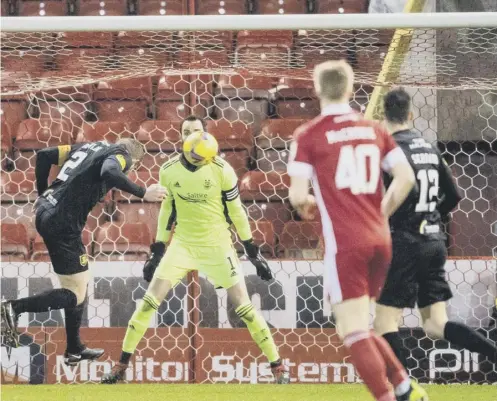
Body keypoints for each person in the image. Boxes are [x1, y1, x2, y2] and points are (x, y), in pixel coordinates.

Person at [102, 117, 289, 384]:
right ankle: (121, 367)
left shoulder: (222, 169)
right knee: (147, 303)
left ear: (206, 136)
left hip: (218, 245)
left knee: (245, 308)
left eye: (197, 131)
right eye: (187, 132)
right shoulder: (168, 170)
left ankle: (278, 368)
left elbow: (236, 211)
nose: (192, 135)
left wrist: (251, 249)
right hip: (183, 245)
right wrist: (157, 249)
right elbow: (167, 210)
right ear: (181, 137)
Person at [287, 60, 427, 401]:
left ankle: (386, 396)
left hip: (346, 244)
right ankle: (405, 388)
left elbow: (295, 195)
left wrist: (306, 203)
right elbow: (407, 178)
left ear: (318, 90)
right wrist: (381, 212)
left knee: (351, 331)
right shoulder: (374, 129)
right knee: (360, 326)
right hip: (381, 239)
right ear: (351, 89)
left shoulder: (308, 135)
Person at [1, 138, 166, 366]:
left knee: (78, 283)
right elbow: (110, 171)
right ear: (134, 160)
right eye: (133, 167)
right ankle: (13, 308)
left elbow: (44, 155)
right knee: (75, 293)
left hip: (45, 211)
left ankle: (74, 348)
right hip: (63, 222)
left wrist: (42, 192)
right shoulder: (121, 155)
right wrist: (142, 191)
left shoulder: (89, 147)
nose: (129, 168)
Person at [374, 88, 497, 369]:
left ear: (383, 116)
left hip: (404, 241)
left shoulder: (389, 151)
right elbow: (454, 196)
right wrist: (430, 216)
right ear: (411, 115)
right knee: (435, 324)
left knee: (384, 322)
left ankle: (408, 392)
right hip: (433, 241)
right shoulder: (429, 147)